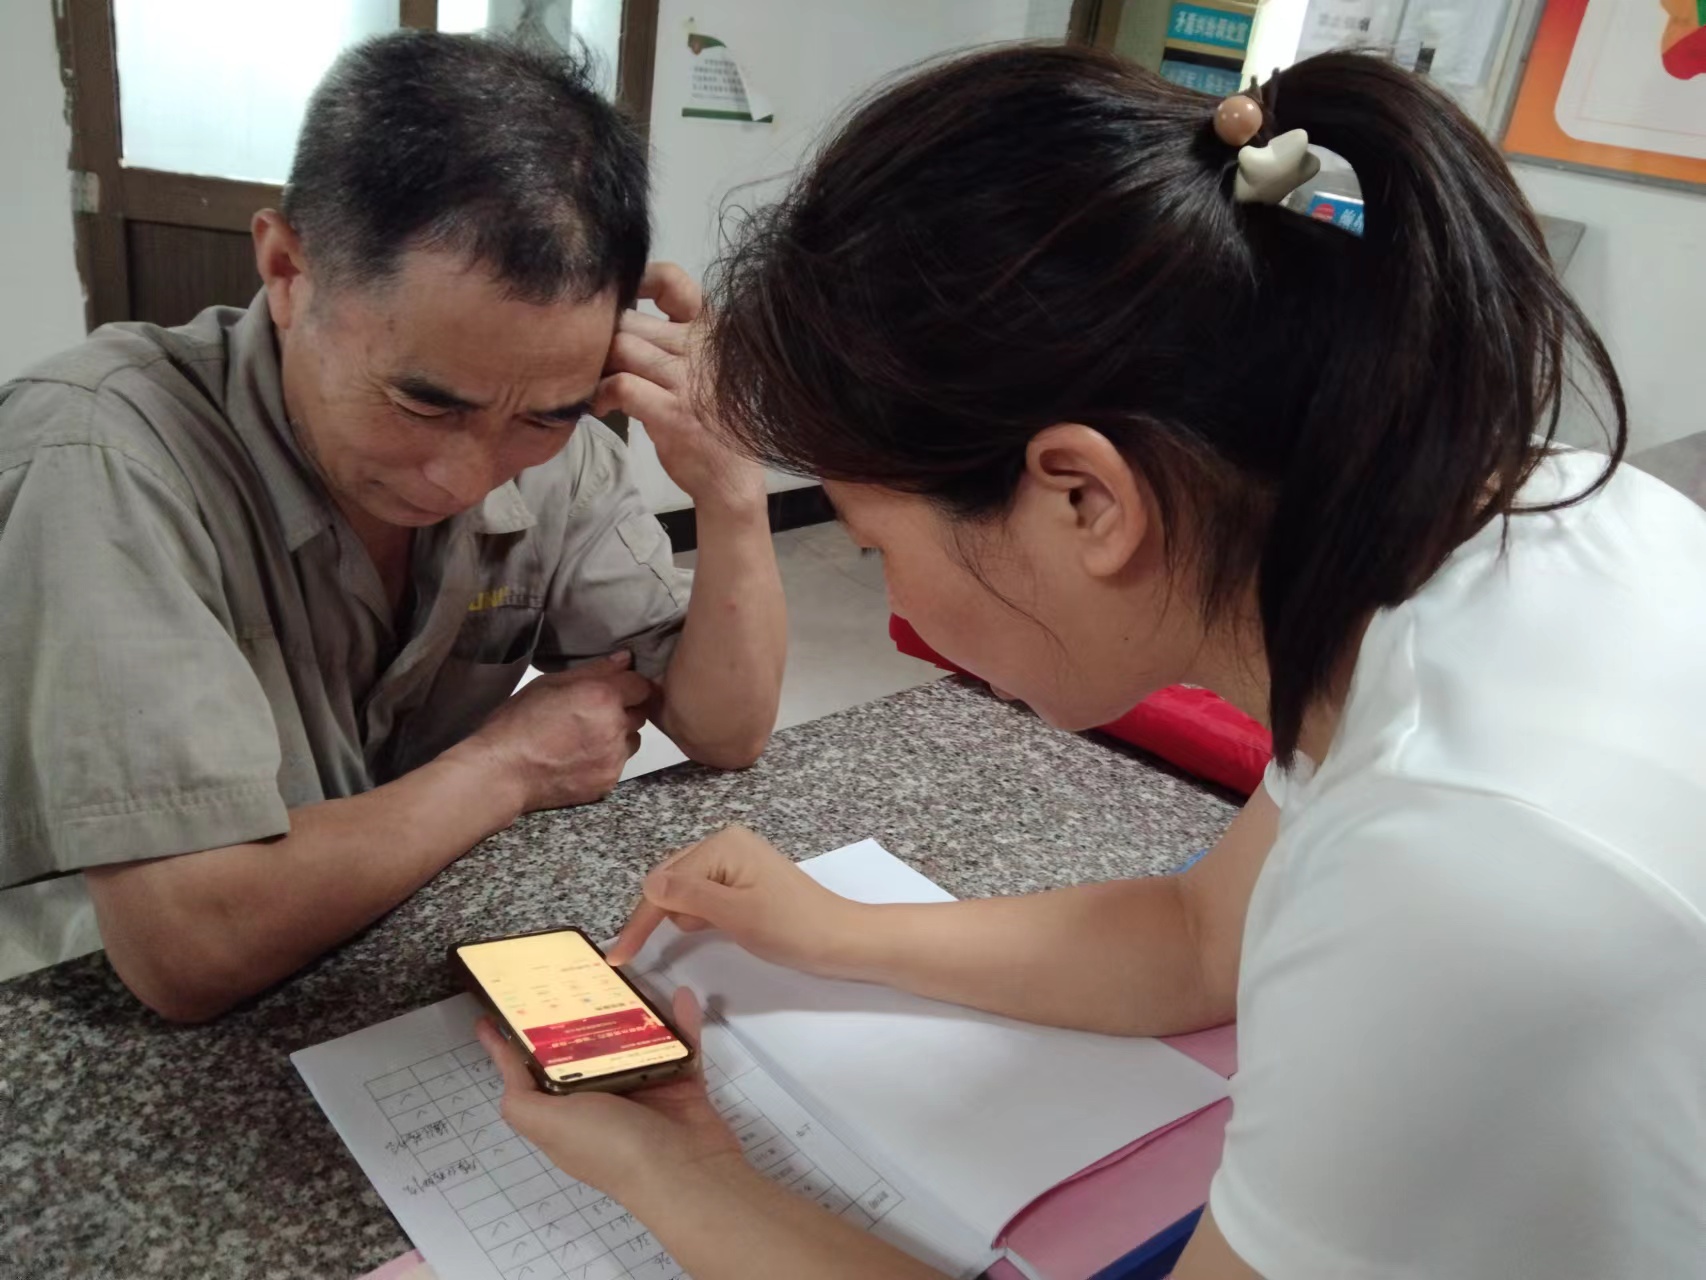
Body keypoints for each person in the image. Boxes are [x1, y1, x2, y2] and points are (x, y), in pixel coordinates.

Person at [475, 45, 1706, 1280]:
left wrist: (675, 1174)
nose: (894, 605)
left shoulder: (1459, 874)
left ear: (1084, 498)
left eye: (875, 545)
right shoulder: (1496, 523)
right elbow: (1197, 938)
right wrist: (835, 929)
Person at [0, 33, 786, 1018]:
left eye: (543, 414)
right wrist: (508, 764)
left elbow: (724, 729)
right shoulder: (99, 454)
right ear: (288, 270)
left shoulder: (557, 440)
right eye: (423, 403)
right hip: (79, 1009)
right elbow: (190, 946)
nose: (465, 475)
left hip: (382, 939)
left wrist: (731, 488)